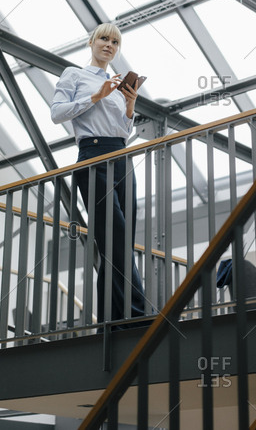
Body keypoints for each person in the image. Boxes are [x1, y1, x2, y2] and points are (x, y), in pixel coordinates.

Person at [51, 23, 147, 329]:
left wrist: (129, 103)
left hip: (121, 155)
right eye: (104, 39)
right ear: (92, 42)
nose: (109, 45)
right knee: (116, 235)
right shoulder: (75, 75)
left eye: (115, 42)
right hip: (93, 156)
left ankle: (113, 320)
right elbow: (57, 113)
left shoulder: (115, 84)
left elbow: (122, 130)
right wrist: (95, 96)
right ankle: (137, 313)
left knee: (120, 241)